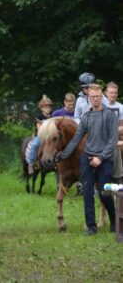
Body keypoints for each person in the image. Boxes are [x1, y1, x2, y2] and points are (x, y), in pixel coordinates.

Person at [56, 84, 117, 235]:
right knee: (88, 192)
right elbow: (76, 139)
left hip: (105, 159)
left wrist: (101, 158)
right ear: (88, 98)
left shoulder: (110, 115)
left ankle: (114, 221)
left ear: (101, 97)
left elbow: (113, 140)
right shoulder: (86, 117)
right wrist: (62, 156)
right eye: (92, 97)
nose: (95, 99)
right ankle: (91, 227)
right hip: (87, 159)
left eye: (97, 96)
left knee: (104, 193)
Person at [27, 95, 53, 175]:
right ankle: (31, 164)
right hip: (40, 136)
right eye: (45, 107)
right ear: (41, 108)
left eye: (48, 107)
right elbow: (39, 129)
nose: (47, 109)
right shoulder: (39, 117)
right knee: (34, 145)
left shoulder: (52, 117)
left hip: (50, 137)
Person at [105, 81, 123, 184]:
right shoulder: (101, 105)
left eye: (115, 93)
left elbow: (121, 126)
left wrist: (114, 133)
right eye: (111, 92)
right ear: (106, 93)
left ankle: (118, 177)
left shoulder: (121, 107)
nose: (113, 95)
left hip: (116, 136)